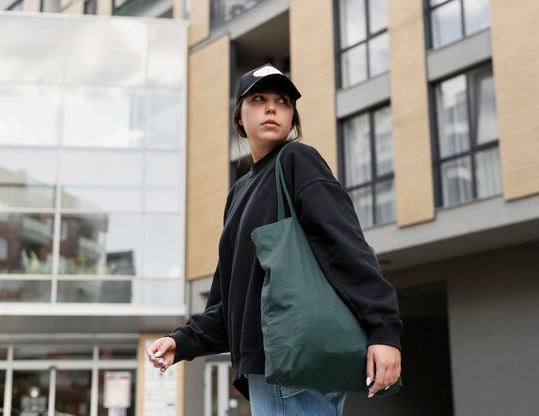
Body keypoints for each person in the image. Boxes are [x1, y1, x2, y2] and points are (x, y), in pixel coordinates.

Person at [147, 63, 402, 415]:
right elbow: (231, 301)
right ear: (239, 117)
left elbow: (345, 246)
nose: (272, 107)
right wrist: (182, 340)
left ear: (292, 116)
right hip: (274, 365)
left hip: (289, 360)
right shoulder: (239, 193)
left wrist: (384, 331)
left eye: (283, 101)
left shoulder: (298, 160)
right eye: (259, 98)